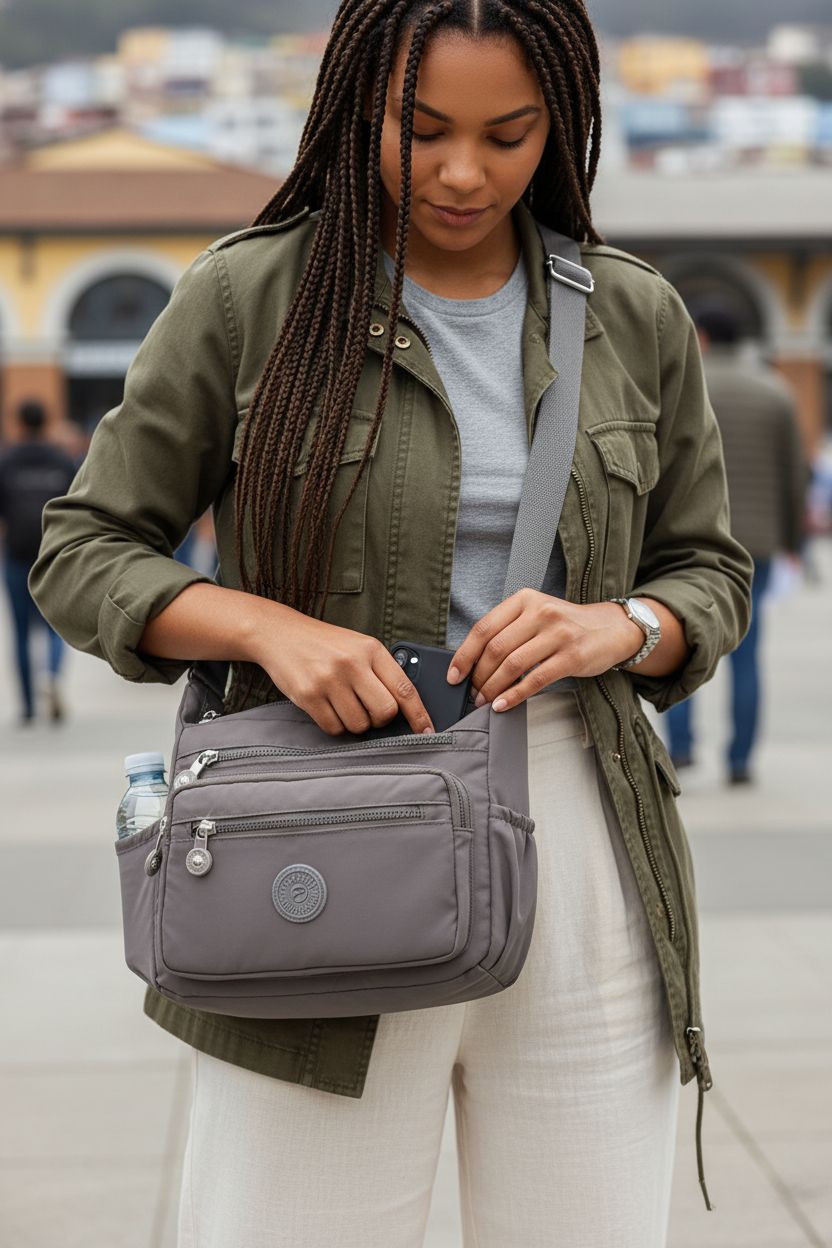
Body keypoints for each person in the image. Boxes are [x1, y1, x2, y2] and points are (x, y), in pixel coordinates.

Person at [29, 2, 753, 1244]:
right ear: (357, 109)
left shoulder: (631, 316)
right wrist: (261, 626)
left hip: (584, 853)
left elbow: (709, 574)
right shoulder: (249, 297)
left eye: (508, 134)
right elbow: (83, 549)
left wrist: (619, 627)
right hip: (316, 831)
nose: (464, 172)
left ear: (563, 126)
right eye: (420, 131)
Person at [664, 305, 806, 785]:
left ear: (700, 335)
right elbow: (793, 476)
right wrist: (793, 542)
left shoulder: (686, 385)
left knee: (681, 643)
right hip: (758, 543)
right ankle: (741, 760)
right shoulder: (775, 392)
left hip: (690, 539)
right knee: (748, 650)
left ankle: (681, 749)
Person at [0, 399, 78, 725]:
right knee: (56, 626)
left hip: (16, 555)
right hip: (52, 556)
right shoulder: (62, 462)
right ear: (47, 422)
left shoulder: (7, 462)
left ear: (19, 422)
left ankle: (29, 707)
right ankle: (52, 673)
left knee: (19, 632)